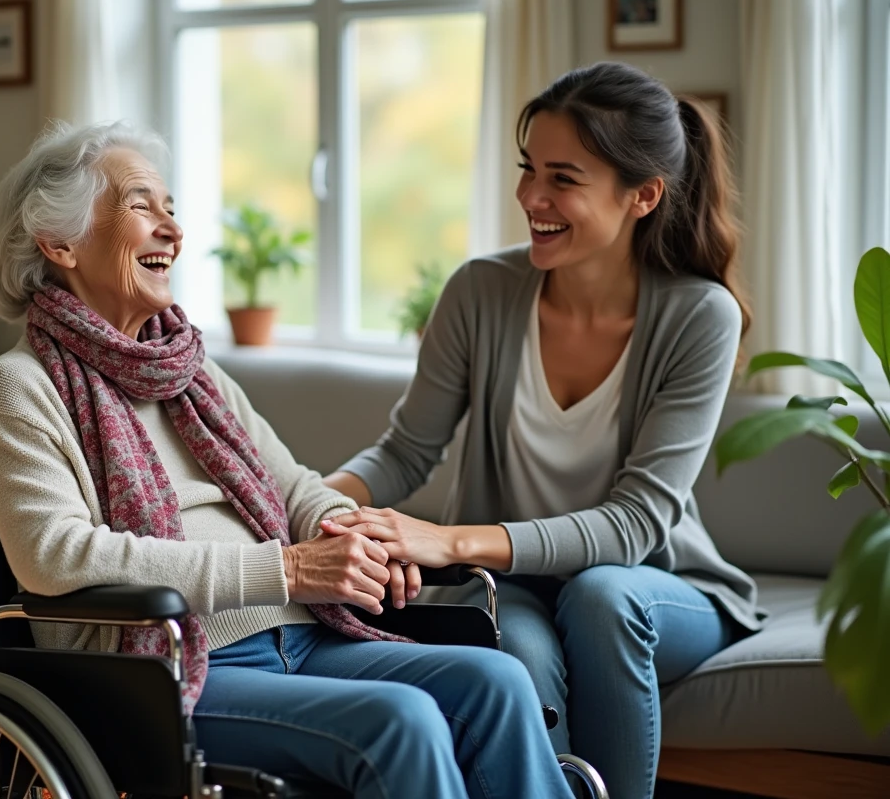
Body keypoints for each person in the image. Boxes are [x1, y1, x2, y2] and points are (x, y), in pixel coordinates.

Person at [0, 119, 577, 798]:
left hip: (303, 636)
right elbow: (54, 556)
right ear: (60, 242)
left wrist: (358, 536)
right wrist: (287, 569)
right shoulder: (20, 385)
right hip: (165, 670)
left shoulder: (191, 371)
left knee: (497, 680)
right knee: (401, 722)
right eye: (142, 206)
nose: (173, 229)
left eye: (172, 208)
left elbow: (293, 486)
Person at [323, 61, 763, 799]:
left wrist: (450, 540)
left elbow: (636, 525)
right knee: (514, 647)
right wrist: (307, 503)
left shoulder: (699, 316)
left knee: (600, 597)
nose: (531, 196)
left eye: (564, 178)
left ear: (643, 196)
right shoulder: (480, 292)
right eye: (529, 169)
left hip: (658, 587)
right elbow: (406, 451)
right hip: (513, 586)